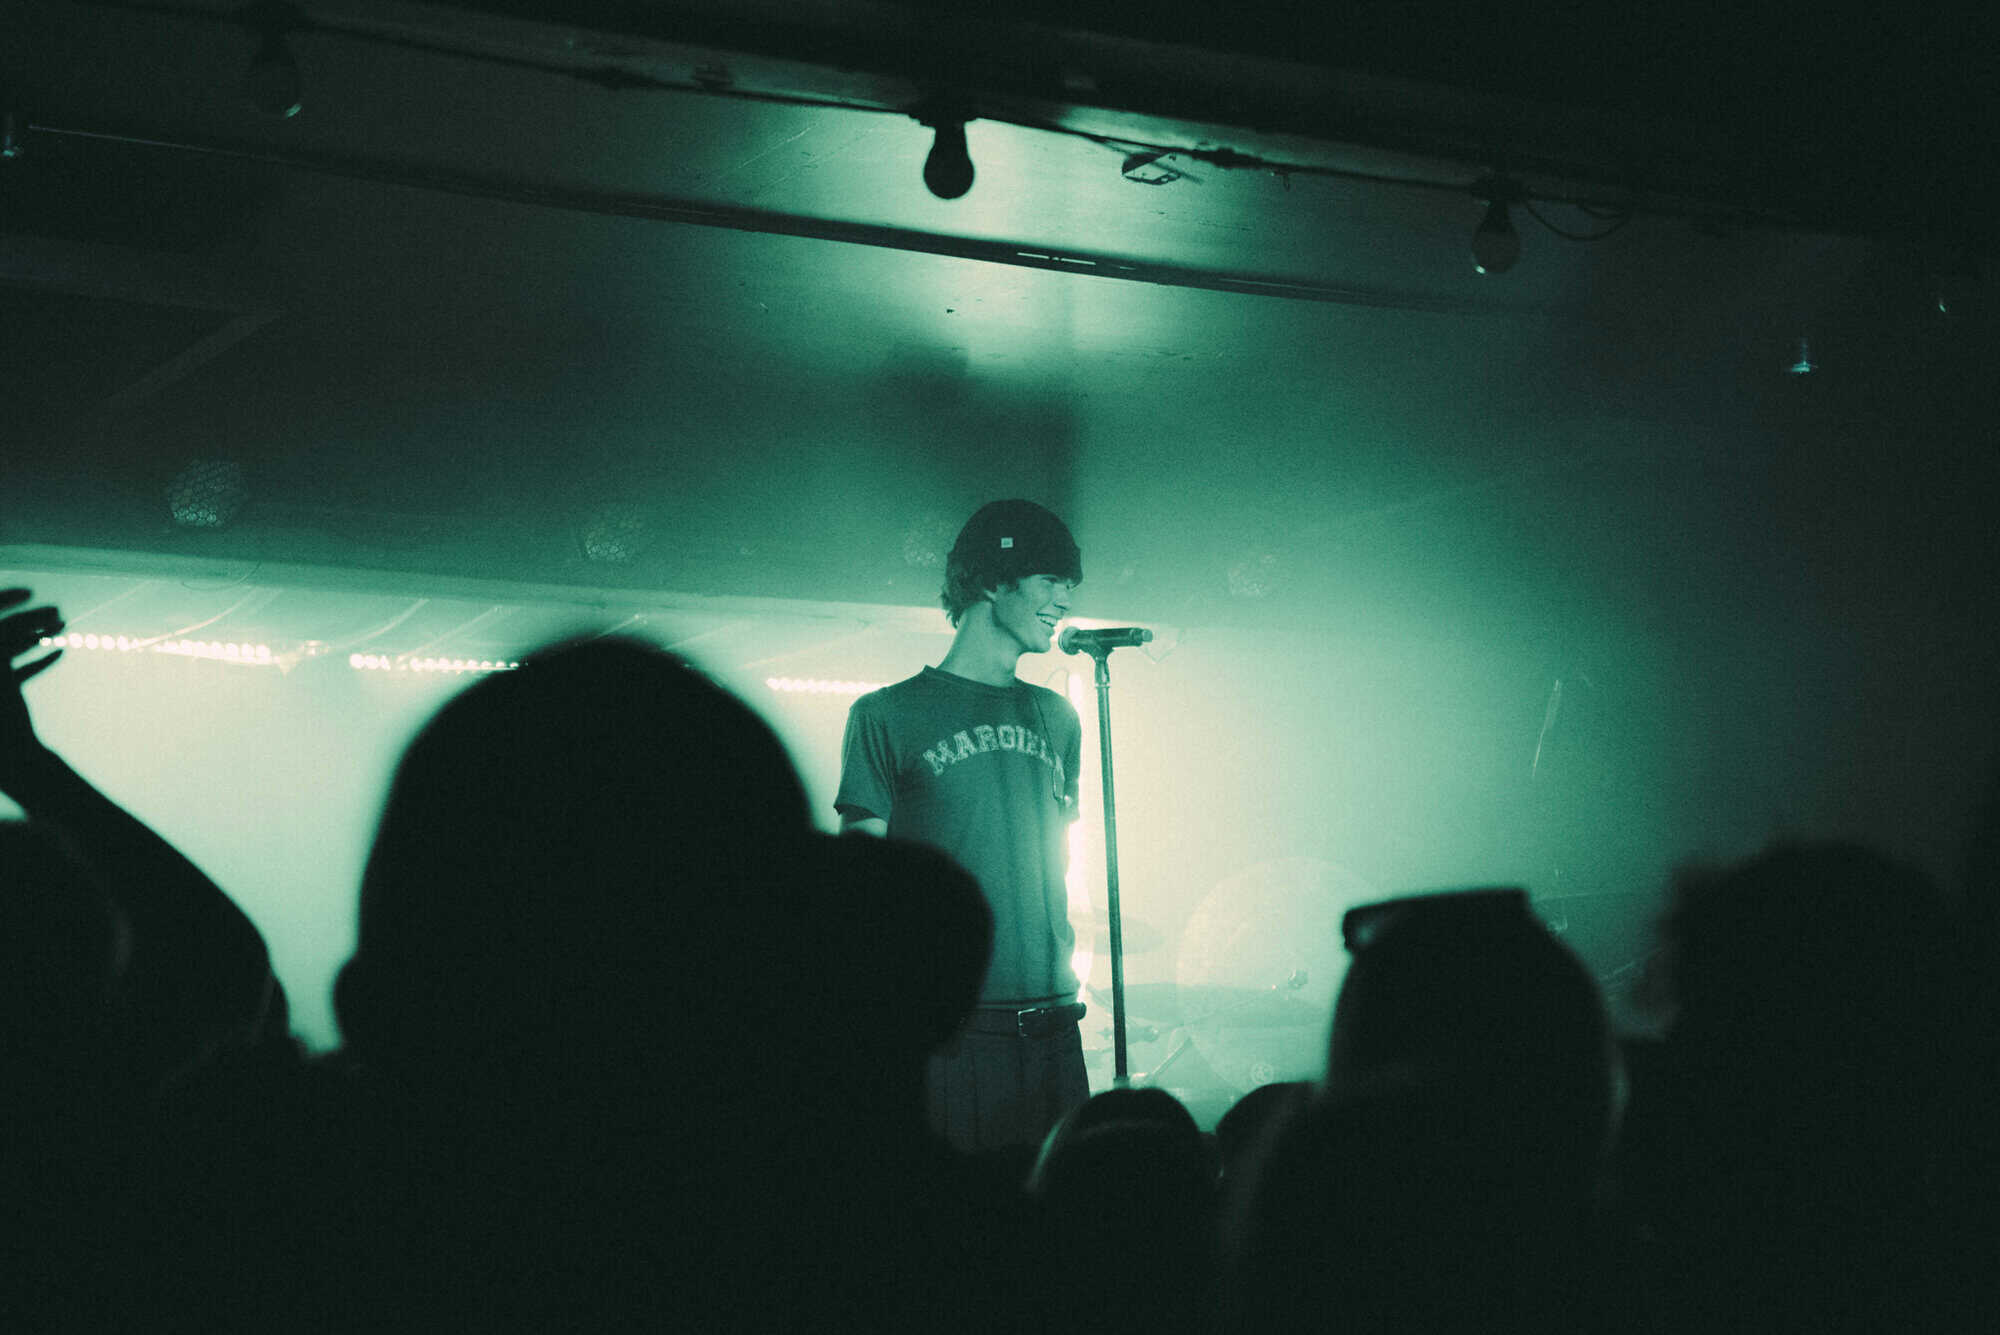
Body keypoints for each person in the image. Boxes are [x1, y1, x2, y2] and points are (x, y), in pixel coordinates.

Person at [835, 498, 1089, 1153]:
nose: (1064, 599)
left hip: (1056, 1020)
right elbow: (859, 892)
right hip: (951, 1030)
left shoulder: (1060, 718)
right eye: (1050, 580)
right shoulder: (887, 715)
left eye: (1069, 584)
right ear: (993, 581)